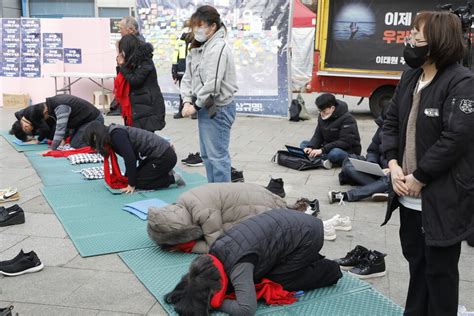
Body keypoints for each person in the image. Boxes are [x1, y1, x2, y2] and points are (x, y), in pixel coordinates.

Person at [382, 11, 474, 316]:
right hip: (407, 196)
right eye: (410, 36)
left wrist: (420, 176)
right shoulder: (411, 76)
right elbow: (391, 122)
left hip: (442, 200)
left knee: (440, 273)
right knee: (416, 265)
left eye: (417, 37)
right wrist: (393, 164)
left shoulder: (461, 82)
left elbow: (456, 138)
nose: (410, 42)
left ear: (437, 43)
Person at [165, 209, 342, 315]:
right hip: (293, 226)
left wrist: (214, 302)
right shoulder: (212, 255)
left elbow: (246, 310)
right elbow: (193, 280)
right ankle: (309, 259)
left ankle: (330, 270)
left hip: (307, 236)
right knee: (264, 273)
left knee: (279, 282)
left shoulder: (238, 268)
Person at [180, 5, 238, 183]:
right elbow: (188, 77)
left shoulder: (218, 48)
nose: (196, 30)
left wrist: (194, 106)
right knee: (207, 157)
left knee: (217, 158)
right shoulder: (199, 47)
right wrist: (187, 100)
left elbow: (213, 84)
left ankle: (223, 199)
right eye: (194, 26)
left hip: (218, 109)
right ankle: (214, 194)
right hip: (204, 107)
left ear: (212, 27)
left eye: (200, 25)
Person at [147, 182, 288, 253]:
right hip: (258, 193)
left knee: (235, 236)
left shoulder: (203, 212)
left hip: (265, 206)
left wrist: (187, 247)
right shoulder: (185, 199)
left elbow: (217, 246)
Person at [83, 122, 184, 194]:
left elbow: (130, 159)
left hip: (163, 156)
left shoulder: (116, 135)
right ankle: (165, 172)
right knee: (133, 178)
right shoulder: (113, 133)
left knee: (139, 183)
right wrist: (128, 178)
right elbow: (132, 156)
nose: (95, 148)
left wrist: (131, 184)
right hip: (157, 156)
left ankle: (173, 179)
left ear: (96, 137)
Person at [328, 114, 390, 204]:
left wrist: (393, 168)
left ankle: (346, 195)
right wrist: (371, 163)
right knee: (349, 163)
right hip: (379, 168)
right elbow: (373, 150)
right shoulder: (382, 127)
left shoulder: (405, 133)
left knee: (389, 180)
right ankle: (382, 189)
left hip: (394, 173)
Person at [115, 34, 166, 132]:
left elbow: (135, 80)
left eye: (122, 51)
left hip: (148, 110)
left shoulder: (145, 62)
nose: (122, 54)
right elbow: (121, 80)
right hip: (136, 110)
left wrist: (123, 66)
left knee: (145, 142)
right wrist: (121, 65)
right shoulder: (132, 61)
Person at [301, 93, 361, 168]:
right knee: (304, 144)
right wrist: (311, 147)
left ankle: (318, 159)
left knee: (334, 154)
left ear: (332, 108)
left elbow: (345, 142)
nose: (321, 114)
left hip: (346, 151)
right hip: (327, 147)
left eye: (324, 111)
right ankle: (322, 160)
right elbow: (318, 135)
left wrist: (322, 150)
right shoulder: (322, 116)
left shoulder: (348, 118)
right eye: (320, 111)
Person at [30, 95, 103, 151]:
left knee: (77, 144)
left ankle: (101, 139)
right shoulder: (52, 103)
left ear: (44, 112)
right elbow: (65, 124)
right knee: (73, 142)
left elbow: (60, 128)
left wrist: (52, 148)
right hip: (83, 121)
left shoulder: (61, 107)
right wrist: (63, 139)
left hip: (93, 120)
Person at [172, 26, 193, 119]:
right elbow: (175, 57)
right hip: (181, 69)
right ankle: (181, 110)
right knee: (182, 91)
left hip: (192, 70)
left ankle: (194, 111)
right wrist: (174, 71)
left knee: (195, 91)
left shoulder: (196, 41)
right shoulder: (179, 41)